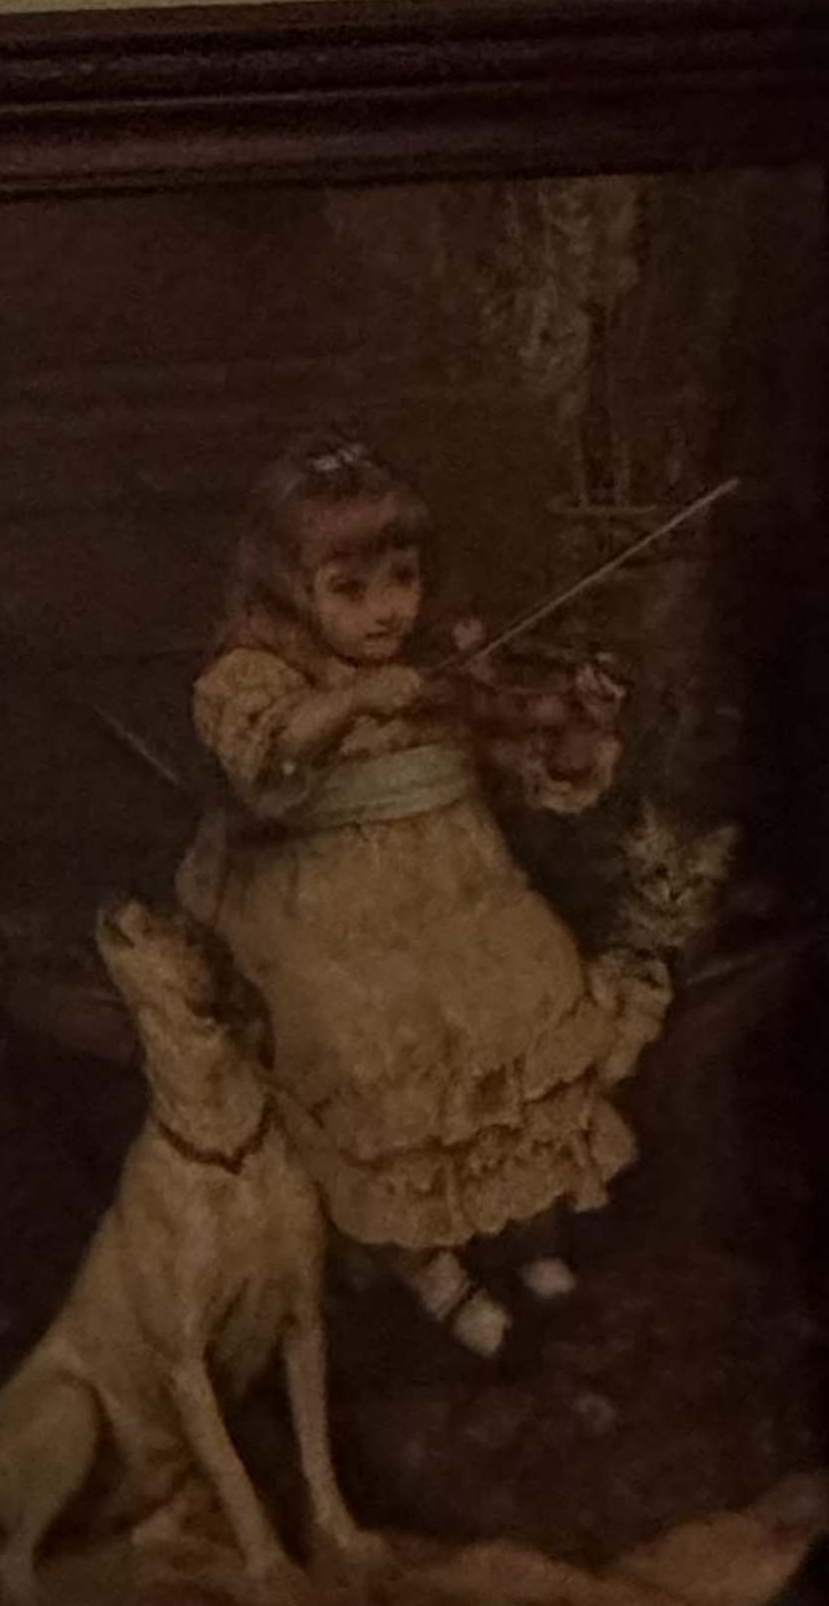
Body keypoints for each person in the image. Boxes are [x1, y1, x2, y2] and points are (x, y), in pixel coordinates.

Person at [179, 436, 668, 1356]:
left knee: (525, 990)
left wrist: (572, 722)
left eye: (400, 579)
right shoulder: (254, 678)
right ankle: (429, 1267)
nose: (384, 611)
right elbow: (273, 754)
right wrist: (355, 703)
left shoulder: (449, 668)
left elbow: (537, 768)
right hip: (324, 902)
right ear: (289, 589)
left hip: (458, 887)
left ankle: (529, 1231)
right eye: (350, 589)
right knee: (377, 1039)